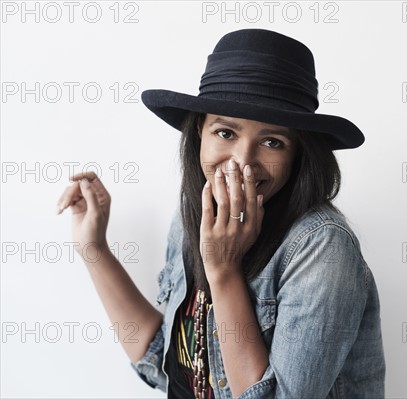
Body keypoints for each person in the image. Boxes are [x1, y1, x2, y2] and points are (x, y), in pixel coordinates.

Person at [56, 28, 385, 398]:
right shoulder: (194, 216)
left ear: (298, 154)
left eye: (272, 142)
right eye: (226, 132)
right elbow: (167, 366)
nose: (242, 162)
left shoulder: (322, 248)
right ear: (200, 132)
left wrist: (224, 270)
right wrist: (94, 249)